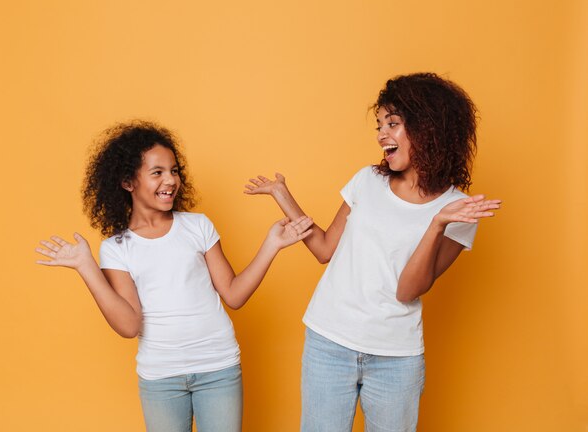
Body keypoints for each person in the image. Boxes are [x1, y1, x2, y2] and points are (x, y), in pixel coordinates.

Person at [244, 72, 501, 432]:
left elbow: (407, 290)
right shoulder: (368, 180)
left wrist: (436, 224)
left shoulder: (459, 210)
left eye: (392, 123)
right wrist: (282, 196)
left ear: (429, 128)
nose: (381, 134)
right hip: (328, 342)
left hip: (396, 358)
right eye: (380, 125)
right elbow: (323, 249)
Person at [35, 120, 313, 432]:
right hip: (160, 377)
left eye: (174, 170)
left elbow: (234, 295)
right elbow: (129, 326)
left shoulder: (197, 226)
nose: (171, 180)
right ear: (128, 181)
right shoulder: (117, 248)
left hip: (218, 368)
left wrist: (272, 244)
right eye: (157, 172)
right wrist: (87, 268)